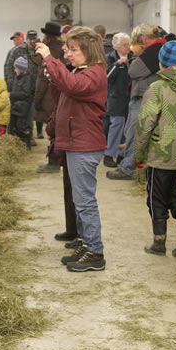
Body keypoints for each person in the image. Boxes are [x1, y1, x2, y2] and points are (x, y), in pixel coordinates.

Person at [36, 27, 108, 272]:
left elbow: (73, 86)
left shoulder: (94, 74)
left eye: (73, 50)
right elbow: (65, 91)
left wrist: (49, 58)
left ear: (88, 50)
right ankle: (86, 243)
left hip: (84, 144)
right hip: (76, 142)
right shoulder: (81, 71)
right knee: (79, 200)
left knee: (85, 200)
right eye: (67, 50)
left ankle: (95, 252)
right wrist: (52, 76)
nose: (68, 54)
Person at [133, 41, 176, 257]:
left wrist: (138, 154)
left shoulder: (157, 88)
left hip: (160, 155)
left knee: (156, 198)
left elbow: (145, 124)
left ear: (160, 63)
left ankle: (159, 242)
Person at [107, 23, 166, 180]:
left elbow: (134, 71)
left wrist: (133, 62)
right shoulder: (163, 48)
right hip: (153, 96)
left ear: (145, 38)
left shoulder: (154, 50)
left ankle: (128, 168)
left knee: (134, 131)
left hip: (143, 97)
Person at [104, 32, 134, 168]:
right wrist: (117, 64)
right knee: (116, 126)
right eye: (124, 45)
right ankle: (109, 155)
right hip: (115, 98)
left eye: (128, 44)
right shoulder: (109, 59)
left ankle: (122, 156)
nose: (128, 47)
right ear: (116, 47)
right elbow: (106, 78)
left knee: (127, 129)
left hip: (130, 99)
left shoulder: (133, 57)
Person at [5, 30, 40, 141]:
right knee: (19, 112)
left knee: (30, 112)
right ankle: (16, 136)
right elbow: (9, 66)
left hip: (35, 86)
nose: (32, 41)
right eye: (30, 39)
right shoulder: (18, 50)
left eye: (34, 39)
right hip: (20, 87)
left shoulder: (40, 50)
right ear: (27, 39)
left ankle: (29, 136)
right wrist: (11, 82)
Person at [34, 21, 63, 144]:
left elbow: (43, 78)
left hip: (49, 94)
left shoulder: (48, 51)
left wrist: (37, 100)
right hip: (62, 92)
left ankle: (53, 160)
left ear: (47, 36)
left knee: (52, 129)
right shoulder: (63, 48)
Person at [9, 56, 35, 149]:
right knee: (14, 127)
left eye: (16, 68)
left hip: (23, 108)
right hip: (16, 107)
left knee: (22, 127)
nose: (14, 70)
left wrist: (12, 95)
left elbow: (25, 93)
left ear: (20, 69)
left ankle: (27, 144)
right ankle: (20, 145)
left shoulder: (27, 79)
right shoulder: (17, 77)